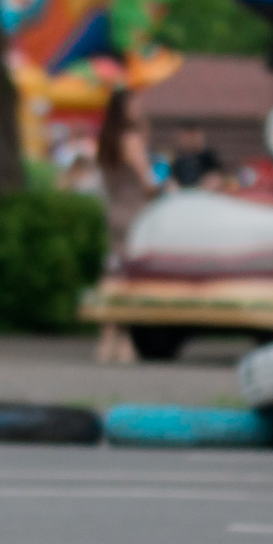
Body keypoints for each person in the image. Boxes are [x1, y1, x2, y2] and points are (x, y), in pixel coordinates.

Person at [92, 87, 160, 365]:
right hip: (134, 212)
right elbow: (147, 182)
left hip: (114, 210)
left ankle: (107, 337)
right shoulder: (131, 140)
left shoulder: (106, 140)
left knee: (112, 272)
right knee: (129, 277)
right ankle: (125, 341)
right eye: (135, 105)